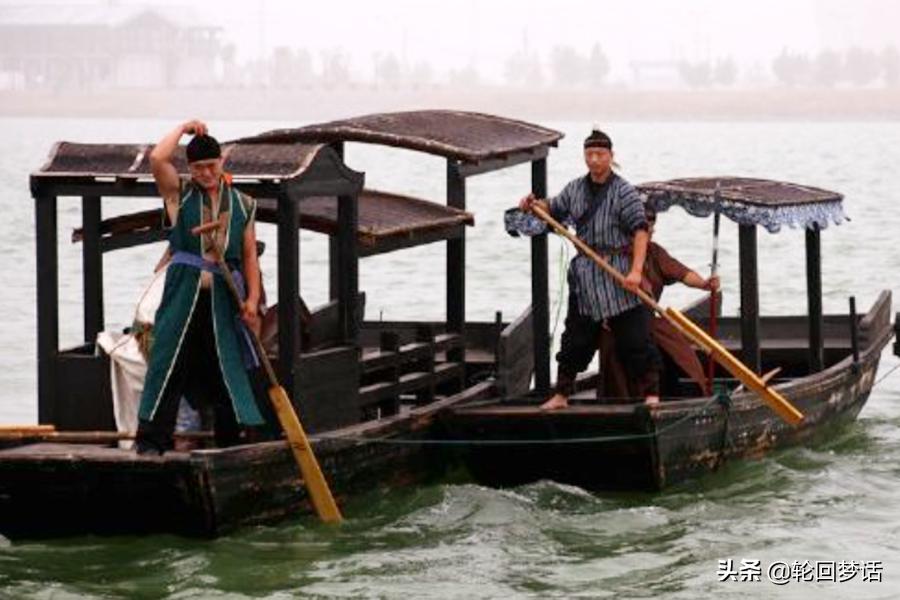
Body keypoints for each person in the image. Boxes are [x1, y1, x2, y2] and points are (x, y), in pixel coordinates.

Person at [135, 119, 266, 455]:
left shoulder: (244, 204)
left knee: (227, 365)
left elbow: (249, 256)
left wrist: (252, 300)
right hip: (183, 293)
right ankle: (151, 442)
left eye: (211, 165)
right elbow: (157, 159)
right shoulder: (180, 194)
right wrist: (183, 129)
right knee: (168, 361)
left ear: (222, 162)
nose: (206, 173)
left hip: (223, 297)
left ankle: (230, 441)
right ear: (190, 168)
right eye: (198, 168)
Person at [519, 128, 660, 410]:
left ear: (611, 156)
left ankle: (651, 395)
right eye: (589, 154)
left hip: (619, 276)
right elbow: (554, 209)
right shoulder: (575, 189)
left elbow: (641, 231)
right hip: (586, 276)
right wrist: (534, 204)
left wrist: (635, 271)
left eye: (600, 154)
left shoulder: (624, 192)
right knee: (575, 339)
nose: (594, 160)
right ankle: (562, 394)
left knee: (635, 340)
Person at [599, 204, 720, 400]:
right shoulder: (610, 254)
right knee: (622, 370)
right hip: (616, 327)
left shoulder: (655, 252)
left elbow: (682, 273)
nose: (651, 233)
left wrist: (704, 284)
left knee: (676, 350)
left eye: (652, 229)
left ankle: (677, 394)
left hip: (648, 323)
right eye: (646, 230)